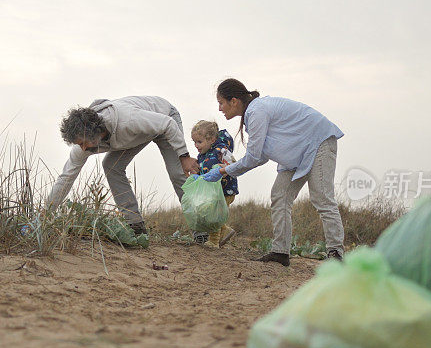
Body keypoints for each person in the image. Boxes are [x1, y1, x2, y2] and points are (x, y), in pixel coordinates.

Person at [199, 78, 345, 266]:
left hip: (318, 142)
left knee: (322, 197)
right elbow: (260, 156)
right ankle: (280, 252)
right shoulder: (252, 114)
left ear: (233, 101)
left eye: (221, 103)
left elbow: (253, 158)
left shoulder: (256, 111)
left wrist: (224, 170)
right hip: (296, 152)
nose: (219, 108)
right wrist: (226, 171)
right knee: (280, 196)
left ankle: (336, 254)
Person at [46, 96, 200, 234]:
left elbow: (168, 124)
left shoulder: (129, 120)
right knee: (111, 167)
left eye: (83, 143)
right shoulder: (83, 146)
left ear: (94, 132)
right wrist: (45, 214)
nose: (83, 148)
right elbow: (66, 178)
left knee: (176, 172)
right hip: (136, 134)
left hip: (165, 118)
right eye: (78, 144)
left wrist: (184, 156)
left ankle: (201, 228)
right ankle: (134, 225)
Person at [190, 120, 238, 247]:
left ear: (211, 139)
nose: (196, 145)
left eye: (199, 142)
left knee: (214, 215)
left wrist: (222, 169)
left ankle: (214, 242)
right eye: (194, 142)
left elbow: (234, 164)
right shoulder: (202, 156)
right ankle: (225, 230)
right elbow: (203, 171)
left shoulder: (221, 150)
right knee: (210, 213)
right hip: (213, 192)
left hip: (225, 190)